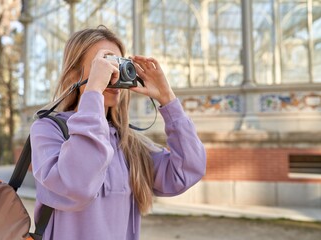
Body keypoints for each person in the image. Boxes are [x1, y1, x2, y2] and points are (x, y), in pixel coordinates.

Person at [30, 26, 206, 240]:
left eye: (119, 65)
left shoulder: (128, 143)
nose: (114, 75)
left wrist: (168, 100)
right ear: (74, 75)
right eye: (104, 65)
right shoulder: (48, 130)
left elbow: (187, 171)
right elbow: (76, 185)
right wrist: (94, 90)